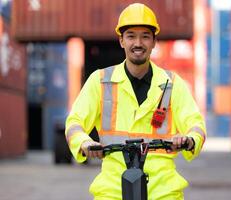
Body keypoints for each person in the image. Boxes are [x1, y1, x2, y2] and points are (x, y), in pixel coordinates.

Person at [65, 3, 206, 200]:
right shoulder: (100, 81)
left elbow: (196, 124)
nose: (138, 43)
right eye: (131, 36)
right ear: (121, 40)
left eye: (145, 36)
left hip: (163, 192)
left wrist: (189, 140)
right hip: (112, 192)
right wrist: (85, 143)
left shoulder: (172, 84)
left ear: (154, 41)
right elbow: (74, 123)